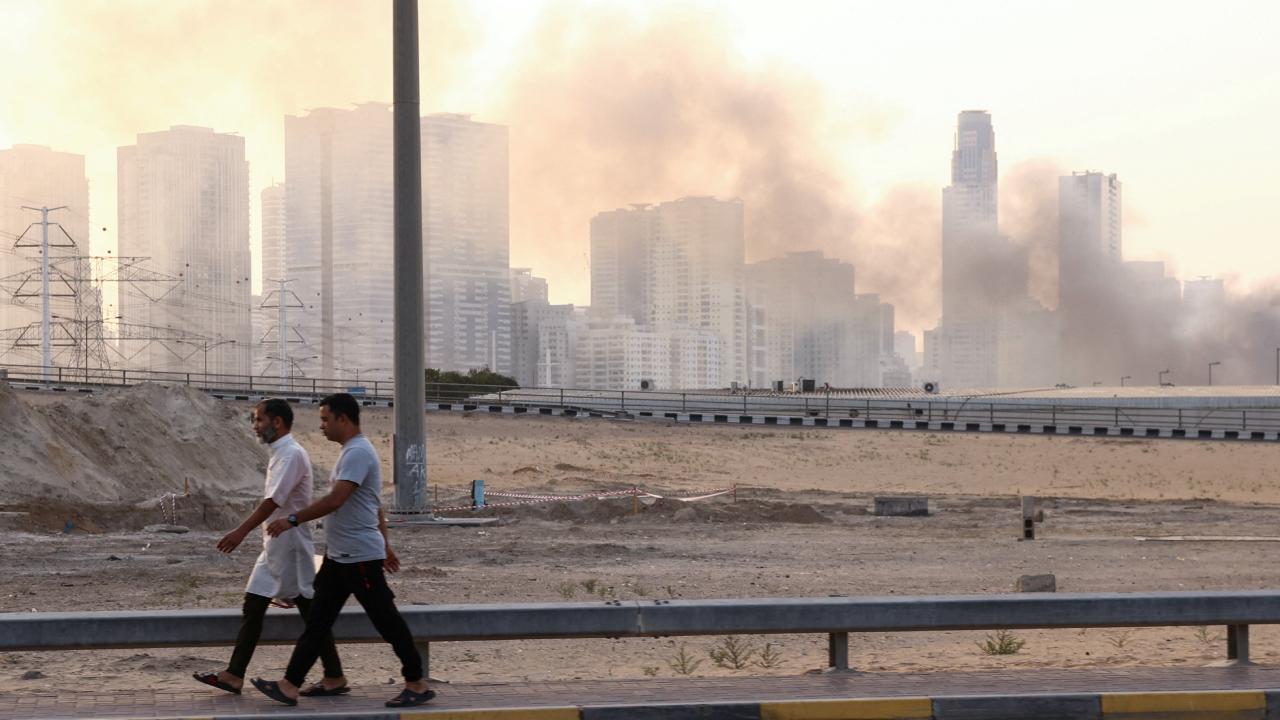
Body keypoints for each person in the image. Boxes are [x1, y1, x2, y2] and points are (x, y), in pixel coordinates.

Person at [251, 393, 433, 709]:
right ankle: (293, 684)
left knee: (386, 621)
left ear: (342, 419)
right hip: (341, 558)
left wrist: (292, 519)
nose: (321, 426)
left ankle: (416, 682)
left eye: (325, 419)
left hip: (359, 559)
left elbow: (336, 500)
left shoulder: (358, 453)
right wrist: (387, 546)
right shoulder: (350, 452)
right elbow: (373, 505)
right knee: (317, 623)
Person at [193, 398, 349, 697]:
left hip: (290, 546)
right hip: (276, 545)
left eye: (259, 420)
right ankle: (234, 675)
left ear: (277, 422)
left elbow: (273, 502)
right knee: (255, 606)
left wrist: (240, 531)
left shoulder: (291, 454)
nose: (255, 426)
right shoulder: (281, 453)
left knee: (309, 611)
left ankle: (334, 675)